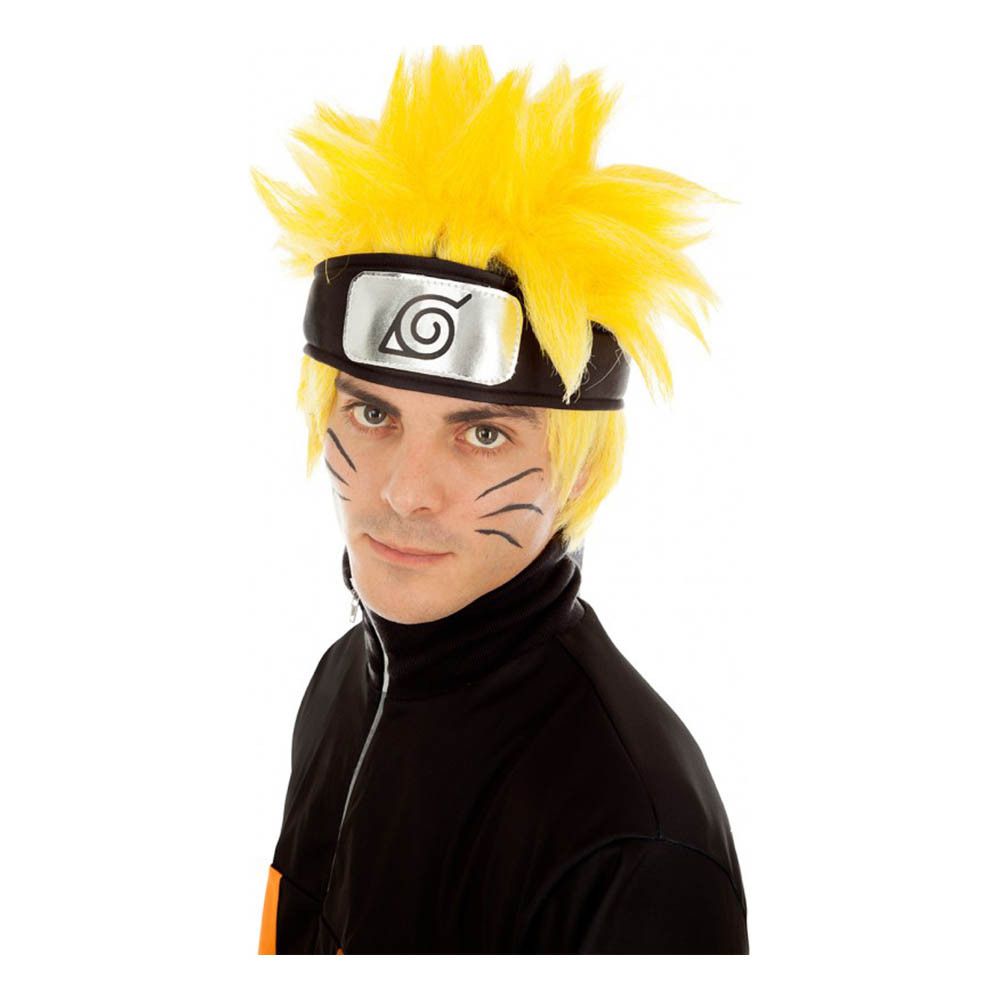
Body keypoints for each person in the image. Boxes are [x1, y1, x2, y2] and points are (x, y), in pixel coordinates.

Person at [251, 45, 747, 954]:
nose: (405, 492)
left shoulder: (632, 839)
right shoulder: (340, 683)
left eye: (483, 434)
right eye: (373, 413)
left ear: (580, 473)